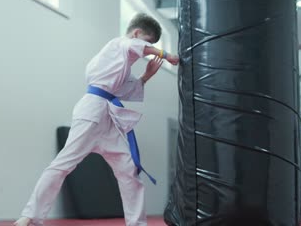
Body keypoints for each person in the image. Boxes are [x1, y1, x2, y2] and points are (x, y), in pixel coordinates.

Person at [14, 13, 180, 226]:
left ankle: (137, 224)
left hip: (108, 119)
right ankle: (30, 216)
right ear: (137, 34)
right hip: (92, 111)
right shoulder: (117, 45)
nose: (146, 50)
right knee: (63, 164)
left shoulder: (120, 64)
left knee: (129, 170)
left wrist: (146, 76)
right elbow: (134, 46)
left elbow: (126, 91)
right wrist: (167, 55)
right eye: (147, 42)